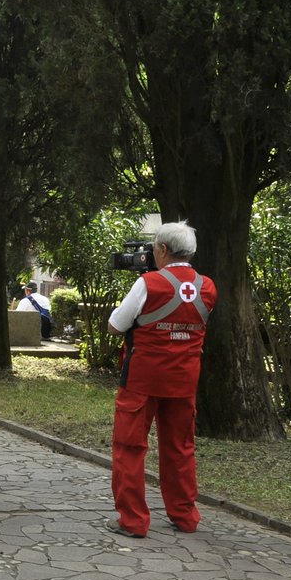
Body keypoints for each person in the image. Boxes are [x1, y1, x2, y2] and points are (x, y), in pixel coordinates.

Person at [105, 221, 216, 538]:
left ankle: (133, 520)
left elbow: (116, 325)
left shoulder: (149, 283)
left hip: (143, 379)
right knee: (180, 447)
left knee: (129, 448)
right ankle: (185, 516)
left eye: (154, 248)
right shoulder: (207, 286)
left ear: (163, 250)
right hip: (184, 379)